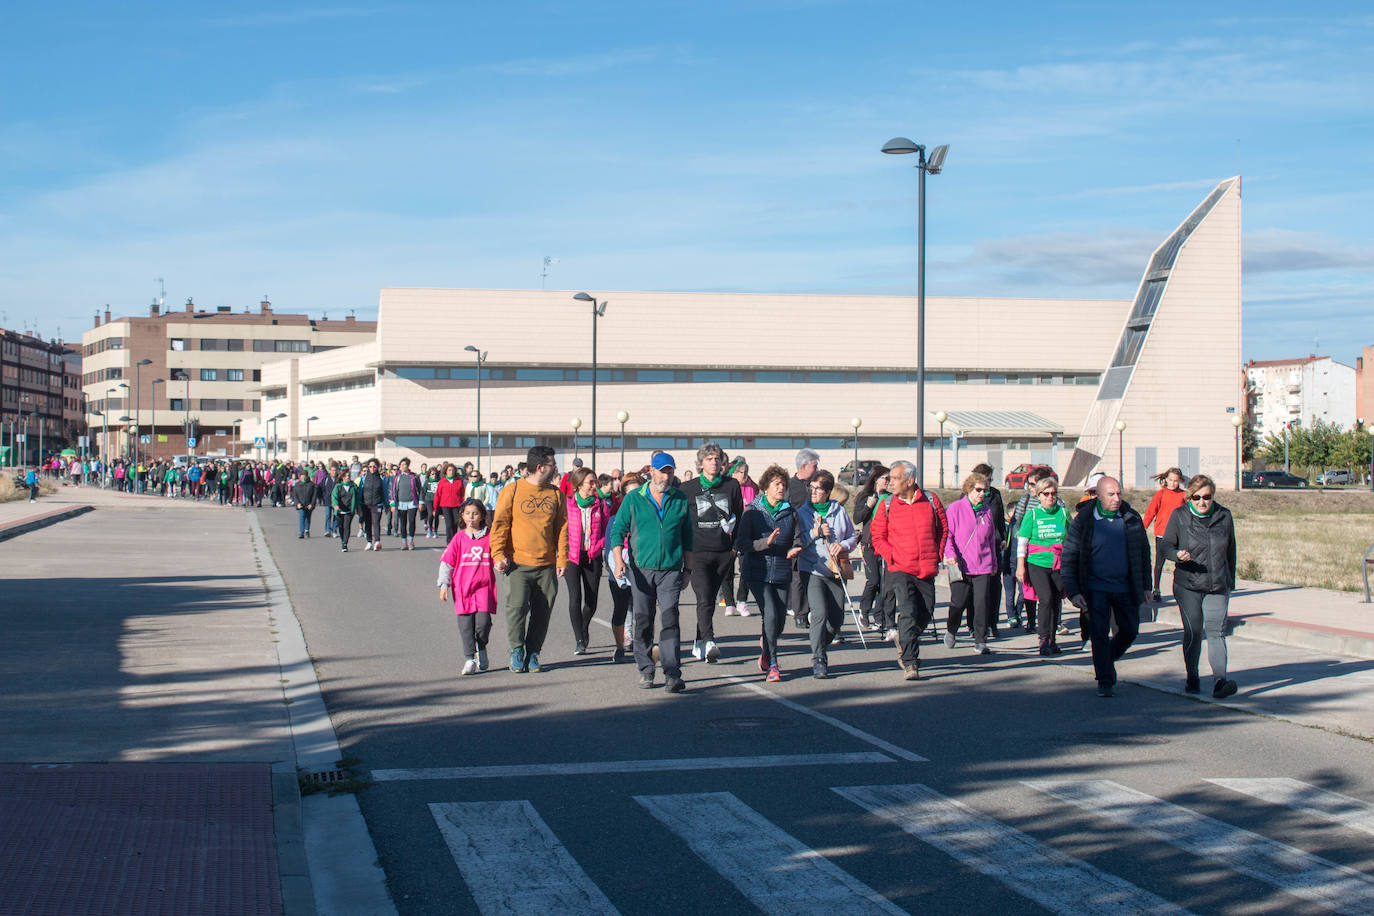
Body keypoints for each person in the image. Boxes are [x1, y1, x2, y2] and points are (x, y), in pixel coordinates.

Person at [609, 452, 693, 693]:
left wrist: (688, 569)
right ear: (652, 473)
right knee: (643, 619)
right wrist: (618, 560)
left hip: (670, 570)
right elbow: (618, 531)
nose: (666, 476)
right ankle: (646, 669)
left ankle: (672, 673)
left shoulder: (679, 499)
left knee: (670, 618)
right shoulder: (635, 498)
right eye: (662, 471)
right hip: (641, 570)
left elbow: (687, 537)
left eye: (670, 471)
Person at [1061, 476, 1151, 698]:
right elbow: (1069, 555)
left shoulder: (1130, 517)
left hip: (1125, 587)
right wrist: (1073, 591)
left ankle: (1106, 659)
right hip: (1095, 587)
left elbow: (1144, 553)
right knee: (1099, 633)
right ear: (1098, 496)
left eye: (1119, 493)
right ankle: (1105, 680)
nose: (1117, 498)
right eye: (1111, 494)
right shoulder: (1084, 520)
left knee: (1130, 630)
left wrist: (1147, 585)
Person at [491, 445, 568, 674]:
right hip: (517, 564)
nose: (555, 467)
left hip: (546, 566)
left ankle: (533, 652)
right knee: (516, 609)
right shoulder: (512, 490)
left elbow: (562, 528)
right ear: (540, 466)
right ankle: (516, 649)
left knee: (542, 612)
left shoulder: (556, 494)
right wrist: (498, 554)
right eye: (553, 464)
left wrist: (562, 559)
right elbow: (500, 525)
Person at [1160, 475, 1238, 698]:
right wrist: (1176, 555)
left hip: (1217, 585)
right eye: (1196, 497)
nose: (1201, 502)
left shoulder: (1224, 515)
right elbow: (1165, 546)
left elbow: (1231, 550)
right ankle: (1192, 676)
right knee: (1194, 631)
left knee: (1216, 632)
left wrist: (1229, 580)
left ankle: (1220, 681)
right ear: (1189, 497)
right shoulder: (1180, 516)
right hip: (1188, 585)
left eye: (1207, 497)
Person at [869, 459, 947, 681]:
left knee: (925, 612)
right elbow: (878, 536)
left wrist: (938, 553)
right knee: (908, 612)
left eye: (894, 478)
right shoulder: (886, 504)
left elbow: (943, 529)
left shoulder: (931, 500)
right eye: (890, 478)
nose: (890, 482)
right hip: (900, 568)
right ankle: (911, 663)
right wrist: (891, 555)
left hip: (926, 568)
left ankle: (905, 638)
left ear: (910, 480)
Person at [679, 441, 744, 664]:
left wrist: (735, 548)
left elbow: (739, 516)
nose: (714, 462)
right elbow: (681, 521)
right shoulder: (688, 489)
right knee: (704, 597)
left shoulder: (732, 485)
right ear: (700, 464)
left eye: (717, 458)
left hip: (723, 552)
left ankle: (699, 641)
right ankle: (709, 641)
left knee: (708, 601)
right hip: (697, 552)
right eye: (709, 459)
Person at [735, 464, 801, 682]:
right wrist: (766, 542)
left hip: (782, 571)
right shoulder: (752, 511)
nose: (781, 488)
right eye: (777, 484)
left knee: (779, 621)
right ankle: (774, 663)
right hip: (757, 572)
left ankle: (765, 648)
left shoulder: (790, 512)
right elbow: (742, 543)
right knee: (770, 614)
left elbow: (799, 537)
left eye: (783, 484)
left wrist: (795, 547)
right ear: (766, 487)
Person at [793, 470, 859, 678]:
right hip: (811, 569)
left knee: (836, 620)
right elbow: (798, 542)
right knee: (819, 613)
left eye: (818, 488)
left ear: (828, 491)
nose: (812, 492)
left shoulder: (838, 511)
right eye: (810, 488)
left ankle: (820, 641)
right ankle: (819, 659)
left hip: (836, 571)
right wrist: (815, 533)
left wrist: (842, 545)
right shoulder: (802, 513)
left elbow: (852, 537)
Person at [943, 471, 1000, 655]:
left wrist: (993, 562)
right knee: (959, 603)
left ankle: (980, 640)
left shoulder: (987, 511)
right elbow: (948, 536)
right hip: (961, 565)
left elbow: (991, 539)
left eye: (985, 491)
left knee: (982, 603)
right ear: (969, 489)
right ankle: (952, 629)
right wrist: (950, 555)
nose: (982, 494)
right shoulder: (955, 508)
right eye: (978, 490)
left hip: (983, 564)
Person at [438, 498, 497, 676]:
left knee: (483, 624)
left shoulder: (489, 538)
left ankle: (482, 646)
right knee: (465, 626)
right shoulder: (458, 538)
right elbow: (447, 563)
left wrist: (502, 564)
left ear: (482, 516)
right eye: (467, 513)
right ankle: (470, 659)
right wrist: (444, 584)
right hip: (462, 588)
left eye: (475, 513)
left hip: (484, 587)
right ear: (462, 516)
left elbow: (499, 558)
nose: (471, 517)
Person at [1015, 476, 1070, 656]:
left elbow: (1071, 538)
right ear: (1039, 495)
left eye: (1053, 493)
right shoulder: (1032, 514)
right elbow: (1022, 541)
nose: (1050, 497)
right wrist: (1020, 566)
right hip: (1037, 563)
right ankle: (1043, 638)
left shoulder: (1062, 513)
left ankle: (1052, 639)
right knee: (1045, 598)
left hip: (1058, 563)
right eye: (1046, 494)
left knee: (1055, 600)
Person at [565, 466, 610, 655]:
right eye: (590, 482)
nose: (594, 486)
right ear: (578, 485)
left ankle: (584, 628)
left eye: (595, 482)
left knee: (591, 601)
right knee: (575, 598)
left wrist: (602, 547)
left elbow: (608, 530)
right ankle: (579, 639)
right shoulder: (567, 505)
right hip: (572, 557)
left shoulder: (600, 505)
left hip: (593, 556)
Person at [605, 472, 644, 663]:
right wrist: (618, 566)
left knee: (642, 610)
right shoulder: (614, 519)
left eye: (638, 494)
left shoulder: (648, 520)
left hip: (643, 572)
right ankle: (620, 645)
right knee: (621, 609)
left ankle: (641, 643)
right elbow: (610, 548)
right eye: (629, 495)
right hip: (619, 572)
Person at [853, 465, 895, 638]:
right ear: (876, 479)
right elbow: (857, 519)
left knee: (885, 583)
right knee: (874, 580)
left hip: (886, 544)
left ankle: (880, 618)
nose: (888, 481)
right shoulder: (866, 496)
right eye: (885, 478)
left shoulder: (891, 498)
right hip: (869, 544)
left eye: (890, 478)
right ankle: (864, 609)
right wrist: (869, 506)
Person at [785, 449, 820, 628]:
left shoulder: (815, 485)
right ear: (804, 465)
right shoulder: (790, 486)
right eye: (814, 465)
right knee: (797, 576)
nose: (816, 469)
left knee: (810, 575)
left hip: (816, 536)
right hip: (797, 536)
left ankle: (811, 608)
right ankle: (799, 613)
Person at [1142, 467, 1187, 602]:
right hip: (1162, 534)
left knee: (1179, 562)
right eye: (1170, 480)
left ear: (1180, 481)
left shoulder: (1183, 495)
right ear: (1165, 480)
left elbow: (1188, 513)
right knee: (1159, 563)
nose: (1173, 483)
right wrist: (1141, 529)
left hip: (1178, 534)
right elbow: (1150, 512)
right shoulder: (1160, 494)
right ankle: (1156, 590)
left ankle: (1180, 590)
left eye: (1176, 481)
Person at [720, 458, 757, 617]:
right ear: (733, 473)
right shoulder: (726, 487)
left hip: (747, 532)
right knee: (727, 568)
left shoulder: (751, 488)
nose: (745, 476)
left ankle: (742, 600)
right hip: (728, 533)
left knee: (746, 568)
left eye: (747, 473)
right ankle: (729, 602)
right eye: (742, 472)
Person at [392, 457, 423, 550]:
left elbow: (420, 489)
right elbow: (393, 490)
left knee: (412, 521)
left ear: (408, 465)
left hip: (412, 503)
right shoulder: (397, 477)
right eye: (400, 465)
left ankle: (411, 541)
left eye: (404, 464)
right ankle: (404, 542)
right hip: (401, 503)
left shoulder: (414, 477)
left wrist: (421, 502)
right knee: (403, 523)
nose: (402, 466)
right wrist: (393, 504)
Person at [358, 458, 388, 550]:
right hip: (366, 504)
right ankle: (369, 542)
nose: (372, 468)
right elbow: (360, 491)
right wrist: (358, 505)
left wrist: (386, 505)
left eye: (374, 466)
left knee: (376, 522)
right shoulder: (363, 478)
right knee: (367, 523)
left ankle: (377, 541)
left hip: (377, 503)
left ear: (377, 467)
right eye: (370, 466)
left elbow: (385, 492)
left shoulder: (381, 478)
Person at [434, 462, 466, 544]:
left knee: (455, 524)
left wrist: (463, 505)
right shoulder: (442, 481)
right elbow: (438, 495)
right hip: (445, 505)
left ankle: (454, 542)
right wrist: (435, 508)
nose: (451, 472)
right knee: (448, 525)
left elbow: (463, 494)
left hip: (457, 505)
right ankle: (449, 543)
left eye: (453, 470)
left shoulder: (459, 481)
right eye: (449, 470)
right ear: (446, 471)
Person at [331, 467, 358, 552]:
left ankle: (345, 544)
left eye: (349, 475)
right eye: (346, 476)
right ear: (342, 477)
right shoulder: (338, 486)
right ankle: (343, 540)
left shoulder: (353, 486)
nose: (348, 477)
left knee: (347, 527)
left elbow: (357, 498)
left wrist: (357, 507)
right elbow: (334, 497)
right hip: (340, 510)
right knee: (341, 527)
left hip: (349, 510)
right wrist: (335, 505)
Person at [291, 468, 317, 538]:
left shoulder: (311, 485)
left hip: (308, 504)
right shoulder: (297, 484)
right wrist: (297, 503)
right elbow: (295, 495)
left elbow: (314, 496)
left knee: (308, 517)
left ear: (307, 476)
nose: (303, 477)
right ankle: (301, 532)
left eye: (304, 476)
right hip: (300, 504)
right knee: (302, 516)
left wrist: (312, 504)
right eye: (302, 476)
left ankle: (307, 530)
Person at [421, 468, 441, 538]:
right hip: (429, 500)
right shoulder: (427, 482)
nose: (434, 476)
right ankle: (430, 529)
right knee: (430, 514)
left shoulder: (439, 481)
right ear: (429, 474)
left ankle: (435, 531)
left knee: (436, 515)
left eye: (435, 474)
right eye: (432, 474)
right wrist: (421, 501)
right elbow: (423, 491)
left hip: (437, 501)